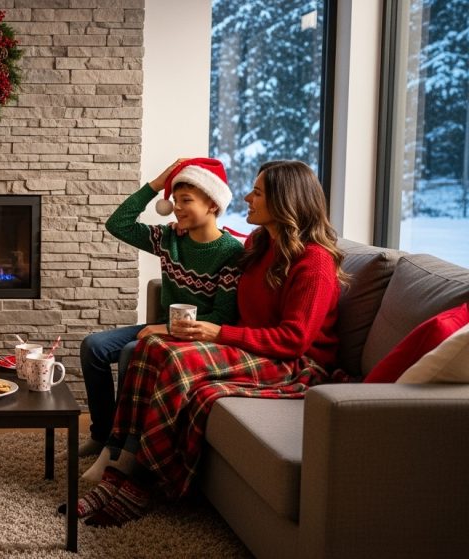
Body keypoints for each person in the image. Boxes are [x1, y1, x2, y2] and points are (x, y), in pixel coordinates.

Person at [71, 160, 349, 527]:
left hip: (293, 362)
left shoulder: (313, 263)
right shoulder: (260, 243)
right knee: (153, 348)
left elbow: (294, 340)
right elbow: (216, 245)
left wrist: (217, 333)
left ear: (285, 200)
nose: (247, 197)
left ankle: (145, 480)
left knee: (172, 359)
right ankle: (121, 468)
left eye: (258, 192)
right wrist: (185, 224)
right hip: (251, 348)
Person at [76, 158, 243, 465]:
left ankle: (124, 447)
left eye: (187, 200)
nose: (177, 208)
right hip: (164, 328)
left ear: (212, 204)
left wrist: (164, 330)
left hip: (198, 338)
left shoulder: (231, 253)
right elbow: (118, 224)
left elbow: (223, 317)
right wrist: (157, 182)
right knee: (94, 347)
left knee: (130, 351)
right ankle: (100, 436)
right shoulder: (169, 239)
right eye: (175, 200)